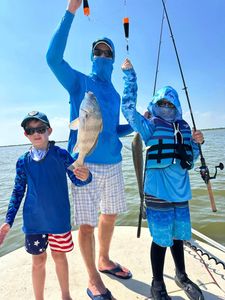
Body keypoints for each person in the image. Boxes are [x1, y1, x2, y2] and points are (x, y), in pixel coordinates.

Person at [46, 0, 132, 299]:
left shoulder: (116, 93)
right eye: (98, 51)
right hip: (83, 165)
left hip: (114, 163)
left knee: (109, 215)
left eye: (108, 52)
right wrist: (70, 10)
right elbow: (53, 58)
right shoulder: (79, 82)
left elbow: (112, 130)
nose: (103, 55)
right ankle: (93, 278)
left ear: (113, 57)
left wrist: (135, 124)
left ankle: (104, 259)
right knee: (86, 225)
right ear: (92, 55)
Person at [121, 58, 205, 300]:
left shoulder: (184, 127)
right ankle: (157, 282)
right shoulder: (149, 126)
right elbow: (127, 108)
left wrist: (197, 143)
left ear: (177, 105)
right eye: (162, 102)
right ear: (155, 104)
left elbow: (190, 159)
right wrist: (130, 77)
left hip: (181, 191)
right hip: (157, 192)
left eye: (170, 103)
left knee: (179, 237)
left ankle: (181, 275)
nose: (166, 106)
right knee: (160, 240)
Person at [0, 111, 92, 300]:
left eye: (41, 129)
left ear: (49, 130)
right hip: (34, 222)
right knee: (38, 261)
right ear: (26, 134)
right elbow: (18, 192)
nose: (36, 133)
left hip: (58, 220)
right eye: (30, 130)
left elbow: (78, 180)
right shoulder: (22, 161)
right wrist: (8, 221)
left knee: (59, 257)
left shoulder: (61, 154)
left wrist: (86, 176)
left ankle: (66, 296)